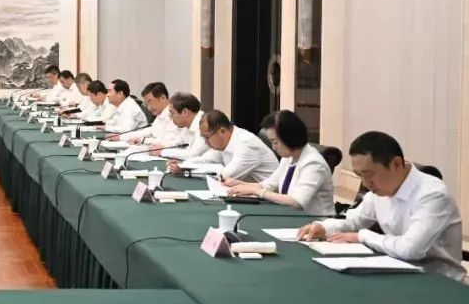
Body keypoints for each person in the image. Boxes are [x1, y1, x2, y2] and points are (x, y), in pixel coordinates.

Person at [298, 131, 465, 280]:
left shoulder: (432, 195)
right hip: (397, 271)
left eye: (369, 174)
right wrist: (323, 228)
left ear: (396, 164)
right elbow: (354, 221)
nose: (365, 183)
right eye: (359, 175)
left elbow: (410, 249)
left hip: (439, 281)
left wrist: (362, 236)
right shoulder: (380, 191)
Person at [224, 110, 334, 216]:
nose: (273, 147)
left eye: (275, 142)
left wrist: (257, 191)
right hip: (291, 216)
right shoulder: (288, 157)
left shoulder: (313, 163)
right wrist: (240, 184)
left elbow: (297, 202)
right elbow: (269, 184)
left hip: (317, 223)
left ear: (289, 138)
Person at [171, 110, 279, 182]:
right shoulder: (225, 142)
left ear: (221, 131)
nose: (205, 143)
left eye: (206, 137)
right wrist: (183, 165)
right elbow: (206, 159)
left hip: (271, 201)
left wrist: (187, 171)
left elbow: (224, 176)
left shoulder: (246, 144)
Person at [159, 93, 207, 159]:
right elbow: (177, 143)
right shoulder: (187, 125)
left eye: (172, 112)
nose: (170, 116)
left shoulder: (205, 124)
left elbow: (193, 155)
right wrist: (161, 147)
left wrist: (162, 152)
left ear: (185, 112)